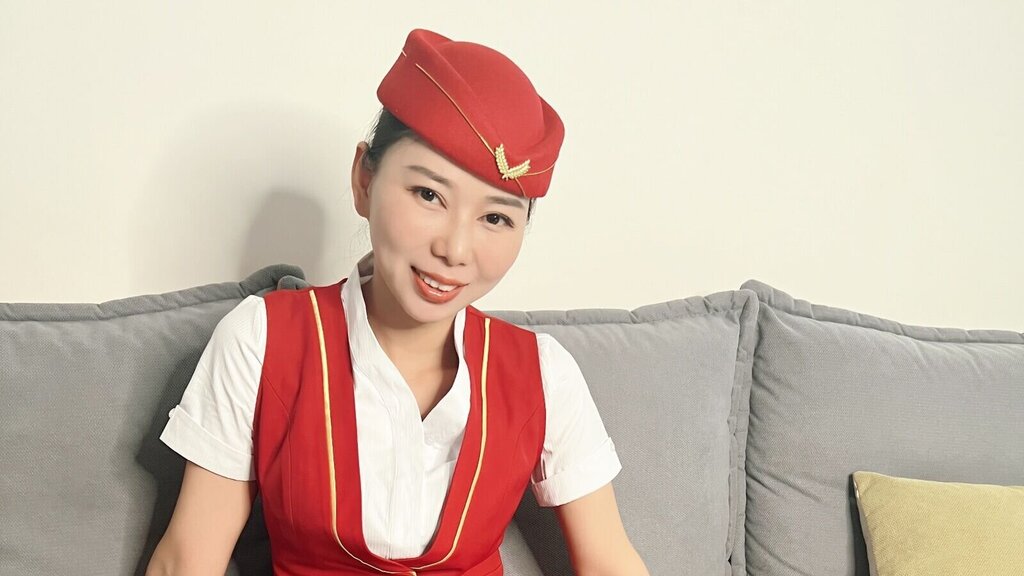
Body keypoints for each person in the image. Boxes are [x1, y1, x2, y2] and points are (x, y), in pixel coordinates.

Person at [147, 28, 649, 576]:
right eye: (429, 194)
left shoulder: (543, 374)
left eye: (495, 217)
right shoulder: (262, 340)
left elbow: (611, 563)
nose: (454, 249)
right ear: (364, 179)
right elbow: (187, 559)